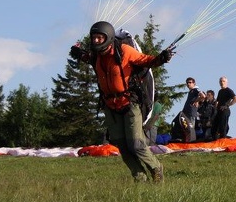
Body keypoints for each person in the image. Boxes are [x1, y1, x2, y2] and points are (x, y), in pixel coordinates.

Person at [69, 21, 172, 183]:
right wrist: (78, 53)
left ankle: (155, 168)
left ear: (108, 38)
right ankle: (140, 177)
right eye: (94, 38)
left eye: (99, 38)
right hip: (110, 106)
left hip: (129, 103)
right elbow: (87, 57)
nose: (96, 41)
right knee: (122, 146)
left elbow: (147, 61)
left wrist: (162, 59)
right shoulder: (96, 56)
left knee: (136, 144)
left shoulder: (124, 51)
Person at [182, 78, 205, 142]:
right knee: (187, 129)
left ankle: (191, 141)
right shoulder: (191, 91)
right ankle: (188, 141)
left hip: (191, 113)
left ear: (194, 83)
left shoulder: (195, 90)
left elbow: (203, 96)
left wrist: (196, 101)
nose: (188, 84)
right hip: (187, 113)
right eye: (187, 83)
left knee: (190, 129)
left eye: (190, 82)